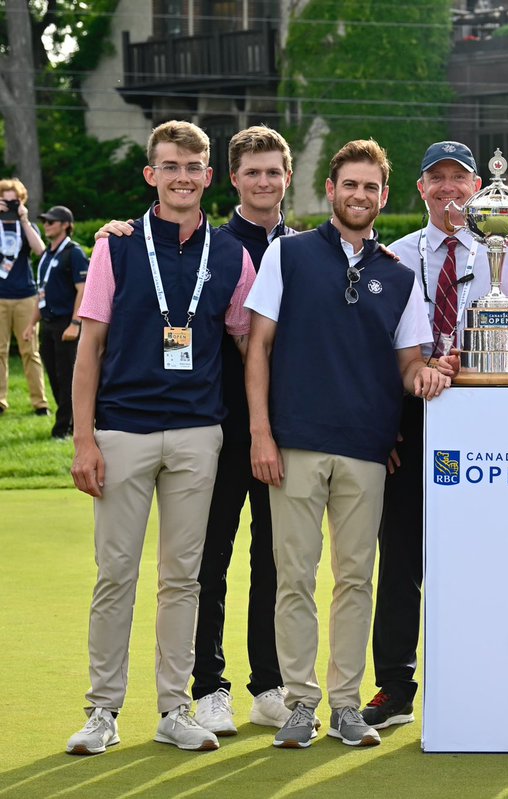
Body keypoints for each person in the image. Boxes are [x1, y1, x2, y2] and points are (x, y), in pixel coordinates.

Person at [244, 138, 455, 749]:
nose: (360, 195)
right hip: (295, 445)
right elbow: (257, 347)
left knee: (356, 579)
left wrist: (437, 374)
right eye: (350, 185)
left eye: (371, 187)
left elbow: (410, 366)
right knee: (295, 578)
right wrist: (260, 432)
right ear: (330, 191)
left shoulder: (399, 274)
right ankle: (300, 703)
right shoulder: (287, 255)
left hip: (367, 452)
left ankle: (343, 705)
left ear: (384, 197)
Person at [93, 126, 299, 734]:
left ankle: (270, 683)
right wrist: (114, 231)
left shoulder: (308, 247)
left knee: (273, 559)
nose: (264, 182)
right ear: (230, 178)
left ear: (288, 179)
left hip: (277, 426)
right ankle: (208, 686)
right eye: (253, 172)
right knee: (204, 560)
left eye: (274, 172)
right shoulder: (213, 242)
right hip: (213, 424)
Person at [66, 120, 257, 755]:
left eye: (193, 165)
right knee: (115, 574)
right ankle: (102, 711)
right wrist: (84, 441)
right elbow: (89, 348)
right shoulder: (115, 247)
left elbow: (249, 345)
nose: (182, 176)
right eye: (170, 165)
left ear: (209, 176)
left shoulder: (233, 255)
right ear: (152, 175)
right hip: (122, 430)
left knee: (183, 577)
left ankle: (175, 707)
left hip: (199, 433)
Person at [360, 140, 508, 730]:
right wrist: (382, 427)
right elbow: (375, 348)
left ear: (477, 189)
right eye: (436, 179)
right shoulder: (394, 255)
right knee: (402, 556)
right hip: (408, 418)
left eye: (460, 179)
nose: (449, 189)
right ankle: (395, 687)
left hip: (482, 417)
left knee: (478, 555)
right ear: (419, 189)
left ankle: (476, 677)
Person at [22, 205, 87, 438]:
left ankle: (63, 430)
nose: (47, 224)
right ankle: (68, 423)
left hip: (66, 324)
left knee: (68, 377)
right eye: (46, 221)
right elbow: (42, 293)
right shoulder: (47, 255)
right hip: (48, 324)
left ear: (66, 225)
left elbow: (83, 290)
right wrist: (31, 324)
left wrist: (76, 323)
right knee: (54, 377)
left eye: (52, 221)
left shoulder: (74, 252)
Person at [0, 177, 48, 416]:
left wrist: (24, 219)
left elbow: (40, 250)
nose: (9, 205)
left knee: (30, 351)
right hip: (0, 296)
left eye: (14, 201)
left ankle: (40, 403)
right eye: (5, 201)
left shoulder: (24, 224)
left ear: (22, 202)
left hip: (25, 295)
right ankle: (0, 401)